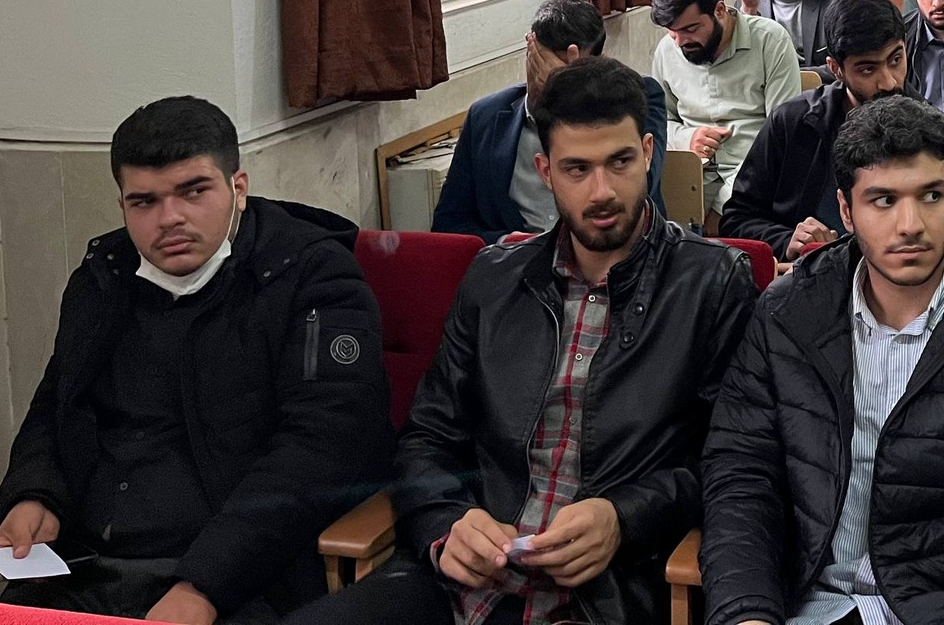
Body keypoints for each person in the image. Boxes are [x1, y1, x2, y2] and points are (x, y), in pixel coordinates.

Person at [287, 59, 759, 625]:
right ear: (545, 171)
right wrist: (445, 523)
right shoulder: (493, 279)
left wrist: (624, 518)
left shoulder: (711, 283)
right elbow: (428, 436)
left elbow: (734, 461)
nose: (602, 191)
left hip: (607, 592)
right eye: (577, 168)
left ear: (649, 152)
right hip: (465, 581)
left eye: (620, 162)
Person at [698, 95, 944, 625]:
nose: (911, 224)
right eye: (883, 200)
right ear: (846, 211)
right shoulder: (788, 312)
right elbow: (741, 476)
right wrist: (746, 612)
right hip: (808, 602)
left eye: (931, 195)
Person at [0, 98, 393, 623]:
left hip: (242, 574)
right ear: (122, 206)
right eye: (144, 202)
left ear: (238, 188)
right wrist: (35, 495)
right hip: (83, 567)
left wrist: (204, 585)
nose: (170, 219)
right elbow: (56, 404)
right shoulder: (104, 275)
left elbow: (322, 450)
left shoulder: (313, 277)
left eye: (194, 191)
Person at [721, 0, 944, 262]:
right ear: (836, 69)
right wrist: (787, 240)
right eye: (867, 69)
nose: (889, 82)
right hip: (807, 273)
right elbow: (737, 219)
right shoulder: (792, 124)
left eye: (895, 60)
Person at [433, 0, 667, 242]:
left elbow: (644, 184)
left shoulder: (641, 95)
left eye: (573, 70)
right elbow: (448, 225)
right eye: (545, 65)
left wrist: (573, 95)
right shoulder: (486, 117)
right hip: (518, 259)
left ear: (600, 62)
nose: (549, 80)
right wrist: (507, 243)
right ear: (530, 54)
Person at [651, 0, 805, 213]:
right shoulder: (667, 51)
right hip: (691, 175)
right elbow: (658, 122)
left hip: (757, 179)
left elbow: (781, 137)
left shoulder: (770, 41)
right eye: (671, 31)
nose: (680, 42)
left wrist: (725, 206)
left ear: (720, 10)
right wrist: (687, 137)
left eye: (690, 29)